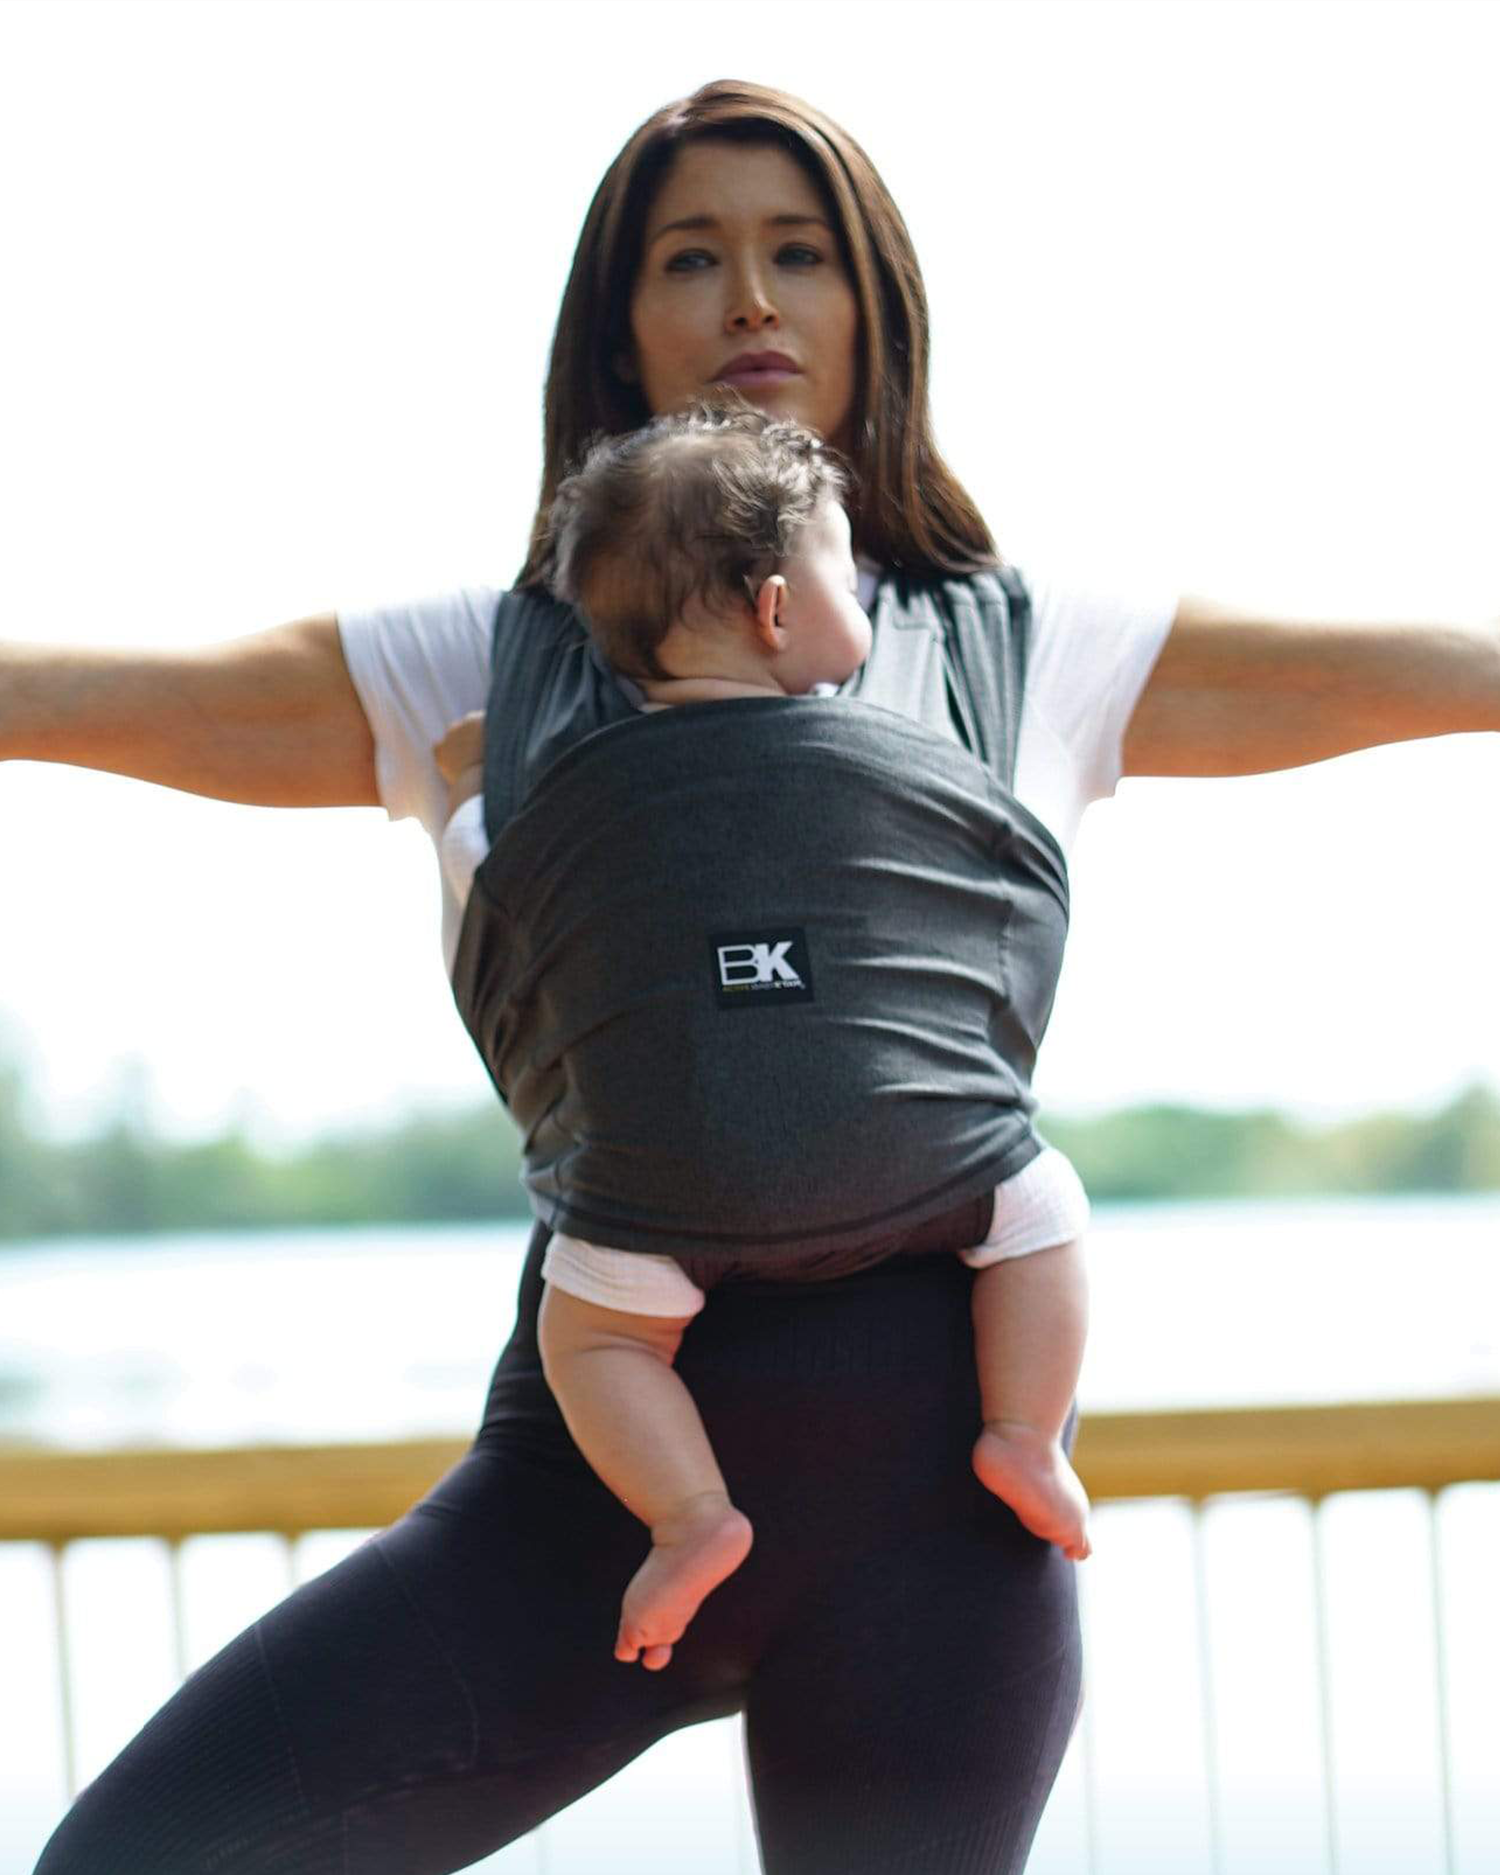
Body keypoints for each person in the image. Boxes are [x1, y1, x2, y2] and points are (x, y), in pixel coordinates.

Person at [12, 76, 1497, 1875]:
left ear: (875, 306)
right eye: (691, 258)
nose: (750, 301)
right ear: (617, 329)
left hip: (939, 1523)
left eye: (799, 254)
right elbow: (82, 696)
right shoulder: (461, 662)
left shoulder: (1033, 646)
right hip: (597, 1480)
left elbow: (1404, 672)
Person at [434, 399, 1092, 1677]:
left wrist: (462, 789)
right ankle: (1024, 1433)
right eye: (847, 570)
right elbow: (997, 874)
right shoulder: (892, 753)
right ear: (780, 609)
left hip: (658, 1197)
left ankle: (688, 1517)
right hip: (925, 1160)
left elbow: (492, 883)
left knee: (599, 1337)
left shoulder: (572, 792)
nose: (865, 595)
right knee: (1043, 1208)